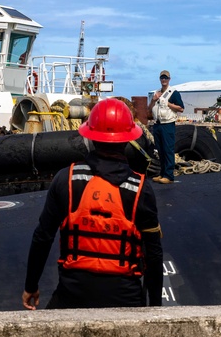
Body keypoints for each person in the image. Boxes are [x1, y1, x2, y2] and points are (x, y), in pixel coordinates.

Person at [22, 98, 164, 309]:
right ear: (127, 140)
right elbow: (153, 254)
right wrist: (154, 308)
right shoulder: (140, 189)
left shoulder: (65, 179)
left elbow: (43, 237)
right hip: (126, 298)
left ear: (90, 138)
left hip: (72, 295)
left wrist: (30, 285)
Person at [149, 70, 184, 184]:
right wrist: (154, 100)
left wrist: (167, 103)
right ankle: (162, 173)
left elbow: (181, 108)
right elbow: (149, 109)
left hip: (167, 124)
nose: (164, 79)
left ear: (169, 79)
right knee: (160, 150)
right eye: (162, 78)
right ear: (160, 79)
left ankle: (169, 175)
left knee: (168, 149)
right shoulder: (157, 93)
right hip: (157, 124)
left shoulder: (173, 93)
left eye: (166, 78)